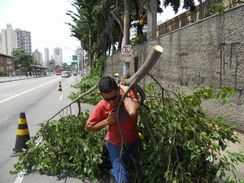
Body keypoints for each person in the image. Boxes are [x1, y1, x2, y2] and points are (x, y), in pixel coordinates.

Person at [85, 76, 140, 183]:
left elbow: (133, 111)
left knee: (133, 167)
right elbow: (88, 127)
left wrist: (124, 91)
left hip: (133, 140)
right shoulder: (102, 105)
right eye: (106, 99)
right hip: (114, 145)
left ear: (118, 90)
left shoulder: (127, 95)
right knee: (122, 177)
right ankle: (116, 173)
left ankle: (112, 173)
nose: (110, 102)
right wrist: (107, 121)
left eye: (113, 98)